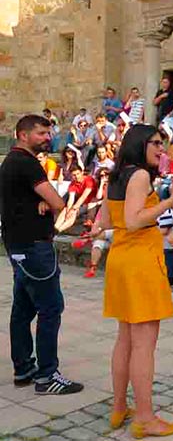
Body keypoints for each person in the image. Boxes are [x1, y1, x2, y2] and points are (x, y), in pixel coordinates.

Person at [99, 124, 173, 435]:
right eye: (156, 144)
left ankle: (120, 406)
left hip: (121, 260)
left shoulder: (116, 175)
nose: (161, 150)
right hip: (139, 263)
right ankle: (145, 418)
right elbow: (135, 221)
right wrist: (171, 199)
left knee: (125, 338)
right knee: (144, 345)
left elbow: (105, 221)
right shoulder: (139, 176)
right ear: (139, 144)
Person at [1, 115, 83, 395]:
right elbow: (59, 201)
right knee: (50, 308)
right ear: (23, 135)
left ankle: (24, 368)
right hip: (34, 247)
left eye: (49, 133)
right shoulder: (26, 163)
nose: (48, 138)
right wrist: (49, 204)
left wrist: (42, 203)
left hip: (18, 246)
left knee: (23, 309)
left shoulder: (10, 162)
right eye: (41, 133)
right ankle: (47, 375)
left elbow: (35, 201)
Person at [54, 166, 96, 233]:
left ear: (82, 172)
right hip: (81, 203)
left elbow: (84, 196)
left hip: (90, 203)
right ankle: (55, 227)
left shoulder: (89, 180)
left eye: (78, 174)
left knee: (74, 212)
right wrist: (68, 210)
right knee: (66, 209)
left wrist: (73, 209)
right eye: (74, 175)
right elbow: (71, 199)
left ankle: (59, 229)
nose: (76, 176)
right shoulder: (73, 184)